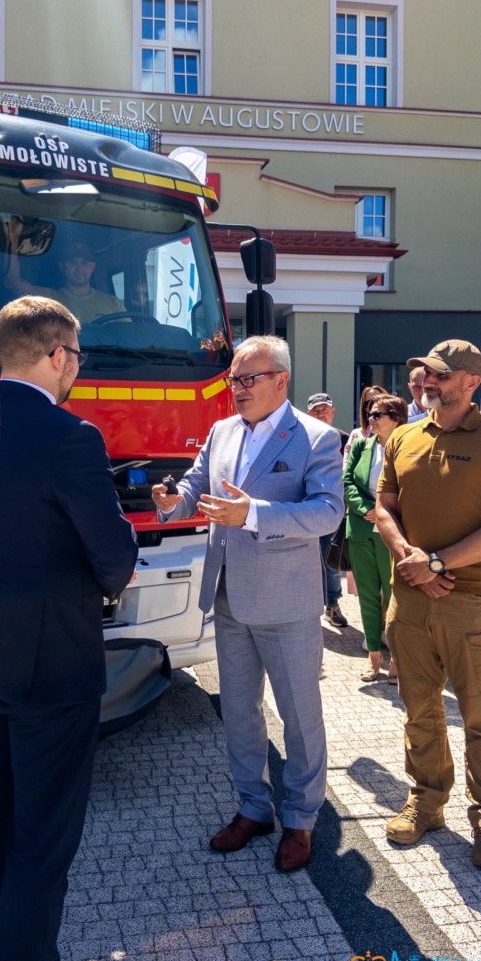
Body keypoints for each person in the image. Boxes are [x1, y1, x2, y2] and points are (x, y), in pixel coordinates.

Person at [0, 296, 137, 961]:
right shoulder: (70, 436)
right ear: (58, 354)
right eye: (78, 356)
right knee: (40, 841)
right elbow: (114, 560)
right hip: (50, 666)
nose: (77, 369)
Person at [152, 336, 343, 873]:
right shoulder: (222, 431)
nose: (237, 388)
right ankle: (254, 808)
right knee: (238, 712)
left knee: (299, 718)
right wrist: (173, 501)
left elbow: (328, 511)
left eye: (248, 379)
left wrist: (253, 514)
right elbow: (196, 484)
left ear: (281, 380)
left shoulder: (316, 437)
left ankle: (301, 819)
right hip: (229, 596)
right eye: (233, 379)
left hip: (286, 603)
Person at [375, 339, 481, 871]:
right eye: (425, 374)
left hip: (471, 602)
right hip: (410, 601)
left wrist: (437, 564)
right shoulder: (404, 436)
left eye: (440, 375)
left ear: (471, 382)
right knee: (419, 711)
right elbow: (384, 507)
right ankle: (427, 800)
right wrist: (409, 558)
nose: (427, 382)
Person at [343, 394, 407, 683]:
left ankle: (398, 663)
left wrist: (382, 513)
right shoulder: (361, 445)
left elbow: (412, 489)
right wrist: (366, 508)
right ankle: (374, 660)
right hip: (360, 529)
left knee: (395, 597)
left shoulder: (407, 448)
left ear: (396, 418)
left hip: (392, 532)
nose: (371, 418)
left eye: (378, 414)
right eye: (370, 413)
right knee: (368, 596)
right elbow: (347, 481)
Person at [7, 237, 123, 324]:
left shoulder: (114, 303)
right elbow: (13, 283)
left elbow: (127, 337)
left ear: (93, 266)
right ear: (62, 266)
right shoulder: (47, 300)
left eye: (85, 262)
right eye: (73, 262)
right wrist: (11, 241)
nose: (79, 268)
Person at [307, 392, 348, 628]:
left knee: (331, 561)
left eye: (324, 409)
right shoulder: (300, 439)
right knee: (304, 561)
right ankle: (308, 609)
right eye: (316, 410)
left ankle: (333, 604)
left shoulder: (344, 439)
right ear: (308, 413)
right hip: (304, 510)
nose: (320, 414)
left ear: (332, 412)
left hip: (332, 511)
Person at [343, 384, 386, 466]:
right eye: (368, 403)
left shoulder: (397, 432)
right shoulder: (357, 434)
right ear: (365, 408)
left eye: (378, 400)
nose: (373, 405)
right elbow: (347, 466)